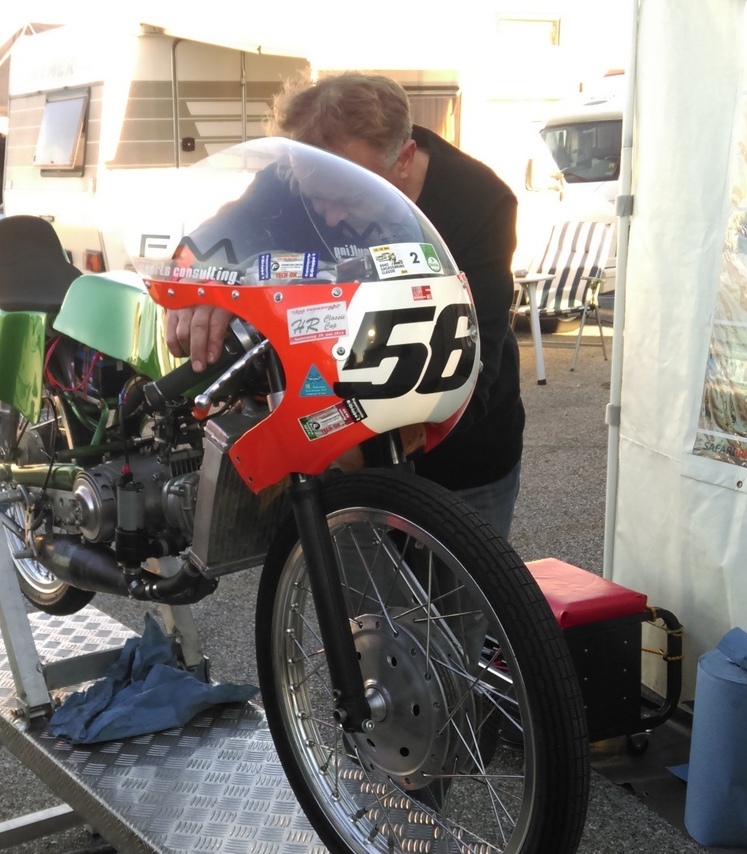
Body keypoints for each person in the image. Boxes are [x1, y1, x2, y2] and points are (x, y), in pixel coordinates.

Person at [166, 74, 525, 539]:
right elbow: (221, 230)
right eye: (316, 199)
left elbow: (477, 363)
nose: (331, 217)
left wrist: (361, 448)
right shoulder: (301, 170)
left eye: (349, 199)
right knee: (353, 585)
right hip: (340, 434)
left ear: (405, 160)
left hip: (463, 453)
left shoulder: (479, 201)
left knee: (470, 584)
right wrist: (200, 283)